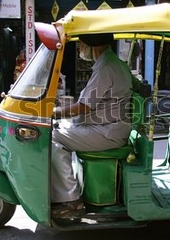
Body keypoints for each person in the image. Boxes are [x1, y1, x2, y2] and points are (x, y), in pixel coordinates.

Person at [50, 33, 133, 218]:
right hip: (106, 127)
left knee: (51, 137)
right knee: (60, 127)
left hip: (107, 132)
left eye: (81, 45)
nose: (79, 49)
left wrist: (52, 112)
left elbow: (83, 106)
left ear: (91, 46)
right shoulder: (113, 63)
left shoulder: (106, 68)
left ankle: (71, 201)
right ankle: (68, 189)